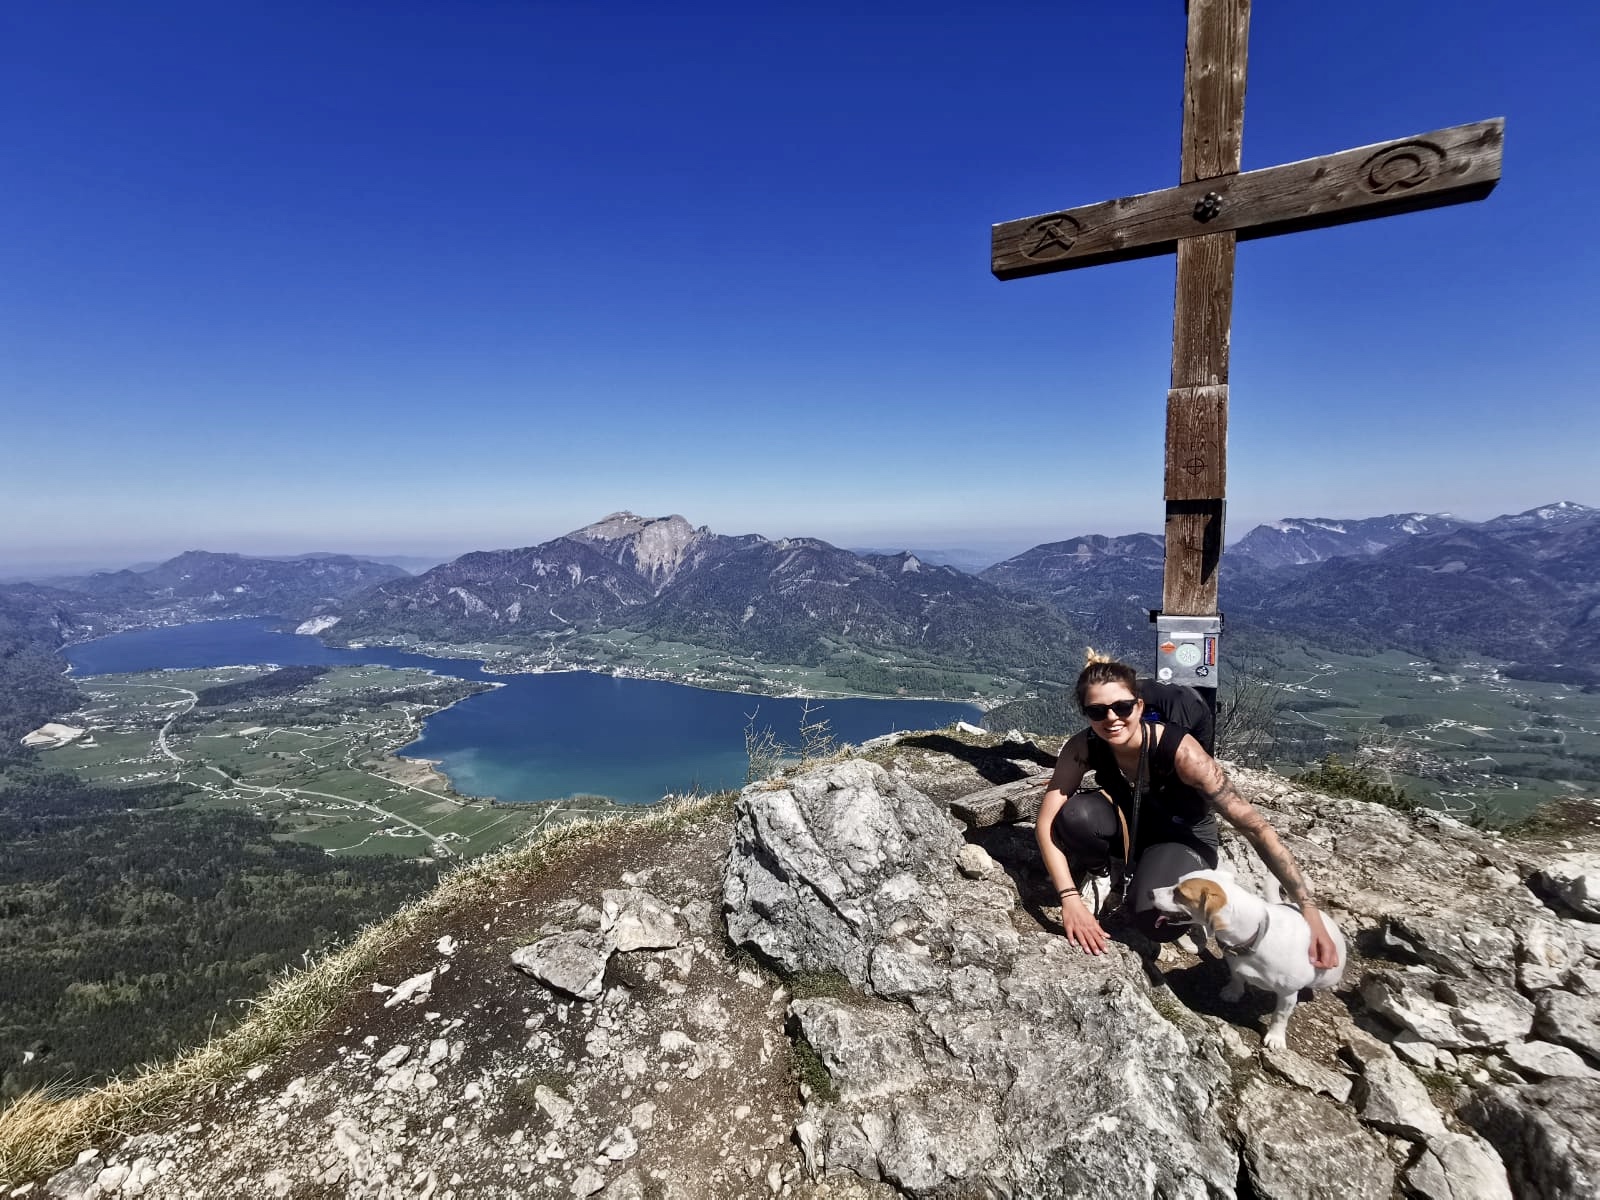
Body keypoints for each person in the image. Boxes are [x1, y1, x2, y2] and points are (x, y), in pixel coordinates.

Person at [1037, 651, 1338, 967]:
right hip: (1130, 827)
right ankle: (1103, 872)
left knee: (1151, 920)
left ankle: (1185, 893)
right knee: (1074, 817)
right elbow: (1046, 822)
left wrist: (1309, 910)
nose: (1111, 718)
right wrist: (1069, 898)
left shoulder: (1183, 755)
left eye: (1122, 707)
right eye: (1097, 711)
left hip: (1182, 838)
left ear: (1139, 706)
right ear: (1086, 714)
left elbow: (1255, 827)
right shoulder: (1083, 746)